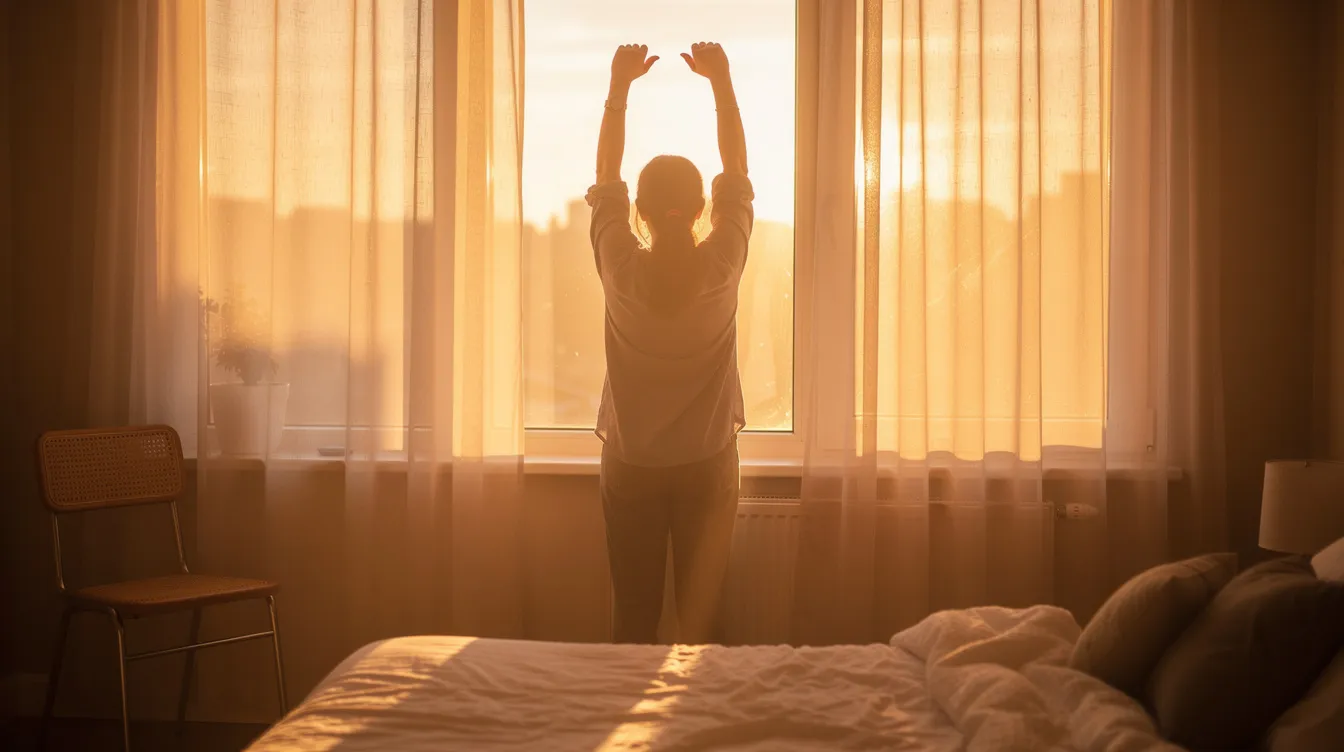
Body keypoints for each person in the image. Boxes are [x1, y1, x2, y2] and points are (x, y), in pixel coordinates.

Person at [585, 42, 754, 645]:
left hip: (631, 465)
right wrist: (721, 82)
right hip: (708, 465)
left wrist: (619, 86)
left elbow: (606, 178)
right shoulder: (723, 265)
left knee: (632, 620)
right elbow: (737, 175)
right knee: (706, 626)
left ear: (639, 210)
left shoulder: (619, 265)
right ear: (702, 207)